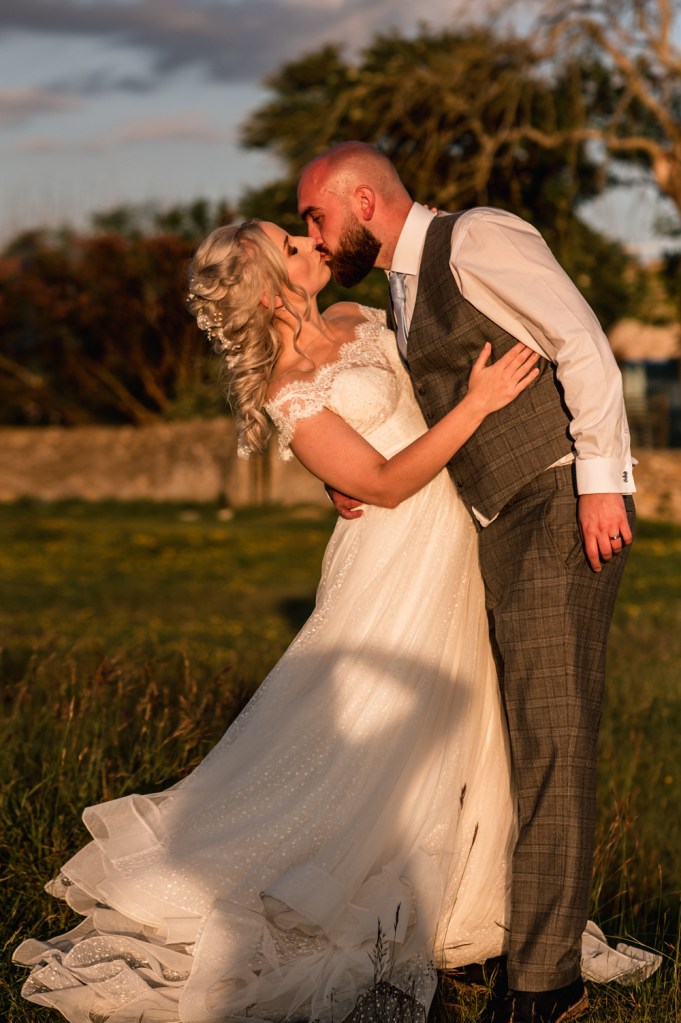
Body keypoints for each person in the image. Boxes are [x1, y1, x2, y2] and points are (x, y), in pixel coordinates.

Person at [13, 219, 541, 1023]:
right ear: (267, 284)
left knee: (461, 717)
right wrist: (478, 403)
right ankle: (365, 898)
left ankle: (465, 910)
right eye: (291, 244)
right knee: (381, 734)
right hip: (391, 559)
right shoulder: (287, 384)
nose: (310, 241)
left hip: (449, 545)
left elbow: (408, 414)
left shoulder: (362, 319)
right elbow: (384, 482)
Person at [296, 142, 637, 1023]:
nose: (315, 235)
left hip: (556, 501)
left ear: (362, 200)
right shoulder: (398, 294)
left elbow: (581, 339)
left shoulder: (476, 238)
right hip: (492, 526)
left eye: (315, 217)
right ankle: (521, 943)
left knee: (553, 738)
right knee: (517, 739)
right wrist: (347, 473)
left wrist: (601, 480)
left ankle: (545, 983)